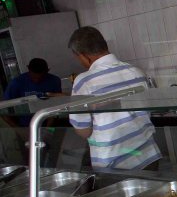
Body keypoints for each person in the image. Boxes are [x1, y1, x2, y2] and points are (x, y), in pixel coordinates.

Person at [68, 26, 161, 170]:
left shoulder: (84, 81)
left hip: (114, 163)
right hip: (148, 155)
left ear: (84, 55)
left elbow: (84, 130)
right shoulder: (135, 71)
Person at [2, 58, 62, 126]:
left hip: (48, 123)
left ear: (47, 71)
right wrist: (19, 130)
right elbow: (4, 109)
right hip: (24, 126)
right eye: (33, 77)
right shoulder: (17, 83)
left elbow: (56, 106)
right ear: (28, 69)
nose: (36, 81)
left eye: (40, 78)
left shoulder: (54, 81)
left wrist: (48, 128)